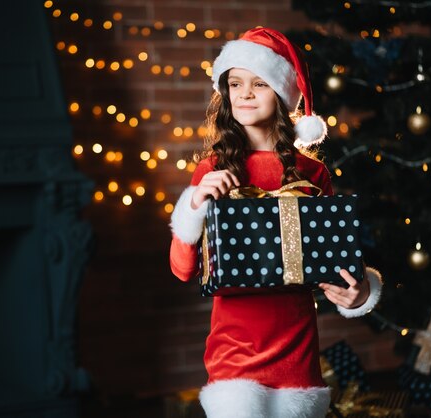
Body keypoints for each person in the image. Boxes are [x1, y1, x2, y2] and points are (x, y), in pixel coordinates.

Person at [168, 28, 383, 418]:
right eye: (235, 83)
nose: (244, 93)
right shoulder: (212, 169)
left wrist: (359, 292)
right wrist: (196, 204)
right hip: (234, 353)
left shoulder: (311, 173)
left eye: (260, 83)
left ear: (282, 95)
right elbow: (183, 270)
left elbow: (334, 261)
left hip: (296, 353)